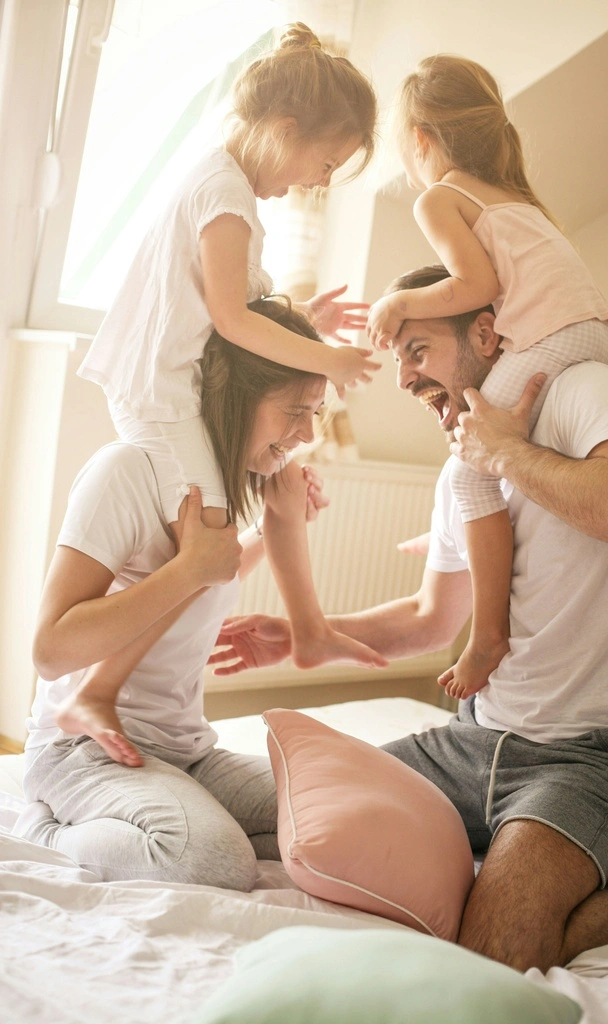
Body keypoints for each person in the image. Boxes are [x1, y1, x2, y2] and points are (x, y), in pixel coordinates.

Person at [216, 266, 608, 971]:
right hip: (468, 748)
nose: (403, 378)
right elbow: (432, 620)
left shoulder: (585, 392)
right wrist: (299, 637)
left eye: (417, 350)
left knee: (498, 952)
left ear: (485, 334)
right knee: (266, 824)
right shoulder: (460, 472)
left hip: (589, 758)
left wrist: (505, 453)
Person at [60, 23, 383, 758]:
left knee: (286, 477)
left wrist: (308, 319)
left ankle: (307, 627)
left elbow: (235, 300)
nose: (321, 180)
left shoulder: (224, 186)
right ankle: (95, 692)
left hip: (178, 384)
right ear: (284, 129)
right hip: (162, 393)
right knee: (202, 548)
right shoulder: (226, 194)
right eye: (324, 161)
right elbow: (233, 320)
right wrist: (326, 357)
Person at [14, 297, 384, 886]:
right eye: (295, 410)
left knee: (349, 815)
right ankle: (46, 831)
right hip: (82, 749)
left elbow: (213, 571)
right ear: (235, 397)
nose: (307, 434)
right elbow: (52, 649)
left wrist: (273, 526)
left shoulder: (222, 487)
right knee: (211, 860)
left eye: (314, 412)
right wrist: (186, 570)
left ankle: (181, 814)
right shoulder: (126, 472)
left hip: (185, 752)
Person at [366, 55, 608, 703]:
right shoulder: (512, 196)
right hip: (586, 329)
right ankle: (461, 536)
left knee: (467, 466)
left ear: (418, 139)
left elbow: (472, 286)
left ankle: (486, 636)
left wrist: (399, 306)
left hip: (557, 336)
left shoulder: (439, 197)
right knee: (497, 455)